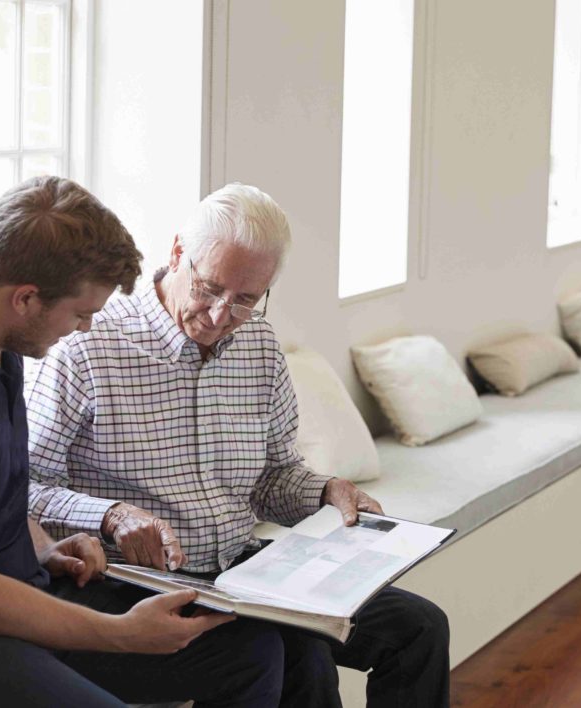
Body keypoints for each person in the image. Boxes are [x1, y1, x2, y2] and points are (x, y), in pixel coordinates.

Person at [0, 177, 284, 708]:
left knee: (250, 649)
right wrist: (122, 632)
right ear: (27, 299)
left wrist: (44, 546)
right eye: (81, 314)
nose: (84, 329)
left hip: (9, 594)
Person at [26, 182, 450, 707]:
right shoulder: (87, 346)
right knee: (301, 656)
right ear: (179, 252)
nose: (223, 315)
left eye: (246, 299)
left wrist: (325, 492)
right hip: (132, 583)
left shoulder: (260, 345)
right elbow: (22, 488)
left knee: (419, 629)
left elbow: (274, 474)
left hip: (244, 572)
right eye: (210, 288)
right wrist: (111, 514)